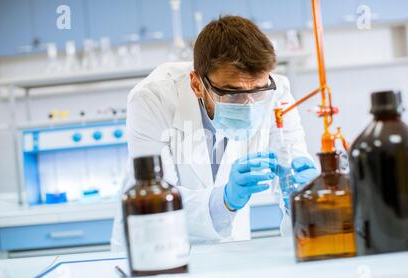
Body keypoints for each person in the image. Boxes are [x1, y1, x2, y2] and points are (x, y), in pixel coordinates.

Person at [111, 16, 318, 251]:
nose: (248, 104)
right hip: (155, 247)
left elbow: (291, 173)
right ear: (197, 85)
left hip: (231, 249)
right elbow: (156, 198)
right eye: (233, 93)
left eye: (258, 91)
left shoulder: (275, 93)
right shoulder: (151, 99)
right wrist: (226, 199)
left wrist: (302, 197)